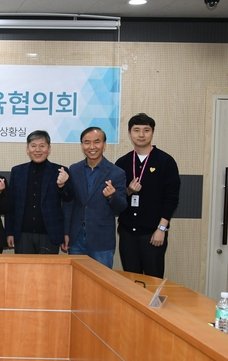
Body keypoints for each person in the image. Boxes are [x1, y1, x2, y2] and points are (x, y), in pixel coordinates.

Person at [115, 113, 180, 278]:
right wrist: (129, 191)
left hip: (153, 233)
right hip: (127, 232)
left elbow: (171, 199)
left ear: (152, 132)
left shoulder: (165, 161)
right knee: (131, 280)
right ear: (129, 133)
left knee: (153, 279)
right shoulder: (122, 162)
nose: (141, 135)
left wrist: (161, 229)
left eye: (146, 130)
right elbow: (117, 198)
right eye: (136, 130)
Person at [64, 127, 127, 268]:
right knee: (77, 278)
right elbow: (69, 204)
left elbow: (122, 206)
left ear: (104, 144)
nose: (92, 147)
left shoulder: (117, 173)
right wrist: (66, 232)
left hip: (102, 238)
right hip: (76, 237)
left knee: (101, 279)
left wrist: (112, 196)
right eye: (87, 142)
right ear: (82, 145)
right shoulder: (74, 169)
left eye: (97, 142)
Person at [5, 130, 72, 254]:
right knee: (23, 267)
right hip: (22, 233)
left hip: (50, 233)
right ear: (27, 149)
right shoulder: (17, 171)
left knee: (48, 267)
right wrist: (9, 232)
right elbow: (11, 204)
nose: (37, 150)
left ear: (49, 148)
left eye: (42, 145)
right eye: (33, 146)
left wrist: (62, 185)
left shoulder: (60, 171)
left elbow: (69, 199)